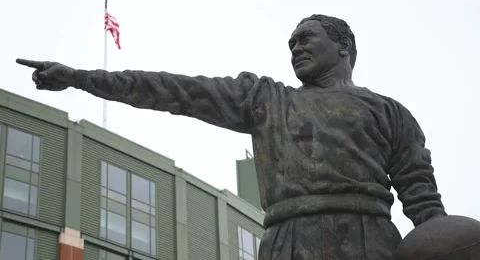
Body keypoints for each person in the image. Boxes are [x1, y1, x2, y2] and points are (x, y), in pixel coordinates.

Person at [16, 14, 447, 259]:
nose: (295, 47)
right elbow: (172, 90)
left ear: (344, 48)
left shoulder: (390, 112)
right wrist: (81, 78)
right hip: (288, 241)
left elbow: (424, 202)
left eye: (306, 38)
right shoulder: (265, 99)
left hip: (370, 241)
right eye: (291, 42)